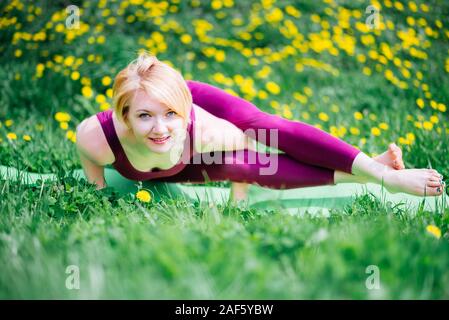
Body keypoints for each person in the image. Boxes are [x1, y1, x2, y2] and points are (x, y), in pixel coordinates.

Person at [75, 52, 445, 203]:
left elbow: (247, 146)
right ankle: (372, 170)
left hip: (211, 129)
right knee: (243, 166)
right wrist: (97, 194)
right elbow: (96, 185)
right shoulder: (97, 139)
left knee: (260, 138)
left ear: (184, 112)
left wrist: (240, 186)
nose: (159, 129)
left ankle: (383, 174)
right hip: (182, 150)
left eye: (170, 115)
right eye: (144, 117)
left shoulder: (203, 131)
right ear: (124, 116)